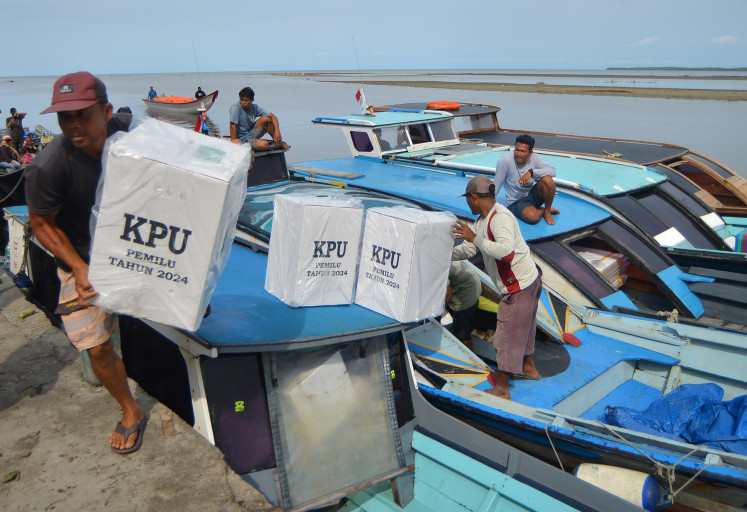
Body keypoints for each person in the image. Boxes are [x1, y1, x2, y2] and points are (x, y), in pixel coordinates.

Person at [24, 71, 146, 454]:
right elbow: (41, 224)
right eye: (64, 117)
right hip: (83, 257)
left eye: (82, 113)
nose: (72, 124)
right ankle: (130, 411)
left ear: (107, 110)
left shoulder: (128, 130)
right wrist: (78, 268)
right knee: (95, 346)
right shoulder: (48, 166)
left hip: (137, 250)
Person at [452, 175, 542, 400]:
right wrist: (443, 254)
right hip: (530, 278)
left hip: (518, 287)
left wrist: (474, 238)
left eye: (467, 199)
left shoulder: (499, 219)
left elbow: (505, 252)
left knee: (506, 338)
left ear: (474, 197)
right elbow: (471, 249)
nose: (467, 203)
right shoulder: (483, 220)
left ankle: (502, 390)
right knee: (526, 328)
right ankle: (529, 368)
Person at [494, 134, 559, 225]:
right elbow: (496, 185)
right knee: (533, 217)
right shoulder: (504, 161)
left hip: (532, 197)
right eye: (517, 150)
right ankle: (541, 211)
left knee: (548, 179)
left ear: (530, 152)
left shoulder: (535, 158)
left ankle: (547, 211)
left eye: (523, 151)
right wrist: (489, 208)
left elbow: (552, 171)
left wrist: (531, 172)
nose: (518, 154)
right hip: (515, 201)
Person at [445, 261, 482, 351]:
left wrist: (439, 311)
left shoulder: (440, 268)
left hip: (466, 294)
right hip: (466, 284)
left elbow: (447, 294)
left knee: (462, 333)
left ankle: (469, 361)